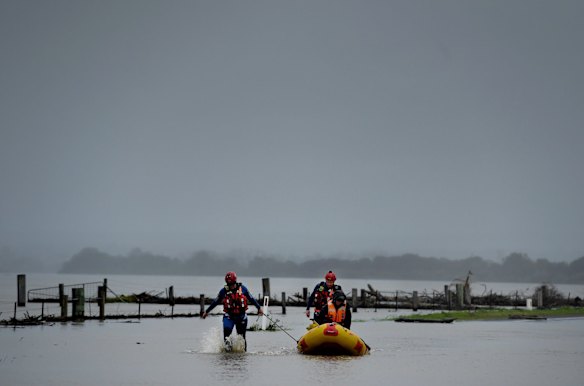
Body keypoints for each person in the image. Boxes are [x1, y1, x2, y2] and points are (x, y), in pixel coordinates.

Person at [201, 271, 263, 351]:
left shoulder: (243, 289)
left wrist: (259, 308)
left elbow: (251, 298)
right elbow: (215, 302)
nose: (231, 286)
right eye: (229, 285)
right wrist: (207, 311)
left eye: (232, 284)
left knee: (242, 337)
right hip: (229, 317)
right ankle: (228, 355)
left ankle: (242, 355)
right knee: (227, 334)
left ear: (235, 281)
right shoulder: (223, 291)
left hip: (241, 317)